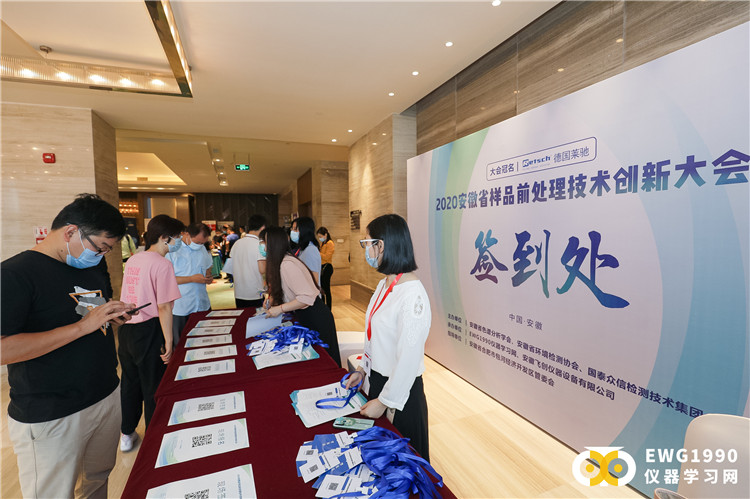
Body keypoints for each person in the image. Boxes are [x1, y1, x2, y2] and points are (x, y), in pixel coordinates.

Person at [1, 193, 136, 499]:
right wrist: (81, 327)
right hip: (52, 411)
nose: (101, 255)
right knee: (53, 492)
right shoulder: (14, 274)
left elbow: (88, 312)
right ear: (71, 231)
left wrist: (110, 315)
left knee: (97, 480)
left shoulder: (92, 266)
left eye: (108, 250)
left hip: (104, 393)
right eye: (100, 247)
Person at [345, 214, 432, 461]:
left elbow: (408, 360)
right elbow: (375, 337)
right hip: (379, 382)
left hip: (400, 396)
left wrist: (383, 402)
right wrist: (362, 369)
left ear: (381, 245)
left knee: (402, 466)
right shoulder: (385, 284)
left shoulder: (412, 295)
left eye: (367, 243)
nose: (366, 250)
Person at [118, 214, 183, 452]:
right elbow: (164, 306)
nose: (178, 242)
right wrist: (169, 341)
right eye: (176, 237)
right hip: (149, 330)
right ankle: (155, 440)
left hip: (127, 329)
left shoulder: (135, 259)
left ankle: (127, 433)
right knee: (154, 385)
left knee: (130, 383)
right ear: (164, 238)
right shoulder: (162, 264)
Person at [263, 226, 341, 367]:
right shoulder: (282, 262)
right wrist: (271, 300)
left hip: (315, 316)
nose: (263, 247)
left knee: (326, 363)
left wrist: (280, 309)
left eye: (265, 243)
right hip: (306, 314)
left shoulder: (287, 264)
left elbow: (305, 298)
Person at [165, 222, 213, 346]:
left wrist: (208, 276)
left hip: (202, 303)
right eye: (197, 242)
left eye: (203, 243)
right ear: (186, 234)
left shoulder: (202, 249)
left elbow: (208, 266)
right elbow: (167, 280)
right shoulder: (172, 250)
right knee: (181, 344)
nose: (200, 245)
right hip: (181, 306)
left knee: (203, 341)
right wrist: (191, 279)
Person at [230, 214, 267, 309]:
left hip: (239, 292)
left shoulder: (237, 243)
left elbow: (229, 267)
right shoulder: (260, 244)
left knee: (243, 316)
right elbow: (262, 269)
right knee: (255, 316)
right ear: (263, 227)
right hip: (255, 292)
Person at [291, 217, 321, 285]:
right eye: (292, 229)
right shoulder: (303, 248)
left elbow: (314, 279)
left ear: (304, 230)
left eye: (295, 229)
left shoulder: (311, 250)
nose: (292, 232)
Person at [316, 226, 335, 308]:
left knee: (326, 289)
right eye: (319, 237)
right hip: (322, 267)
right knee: (322, 289)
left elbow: (327, 257)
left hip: (327, 267)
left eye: (320, 236)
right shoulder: (323, 243)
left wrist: (318, 252)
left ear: (325, 235)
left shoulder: (330, 243)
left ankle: (328, 308)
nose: (320, 238)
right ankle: (323, 306)